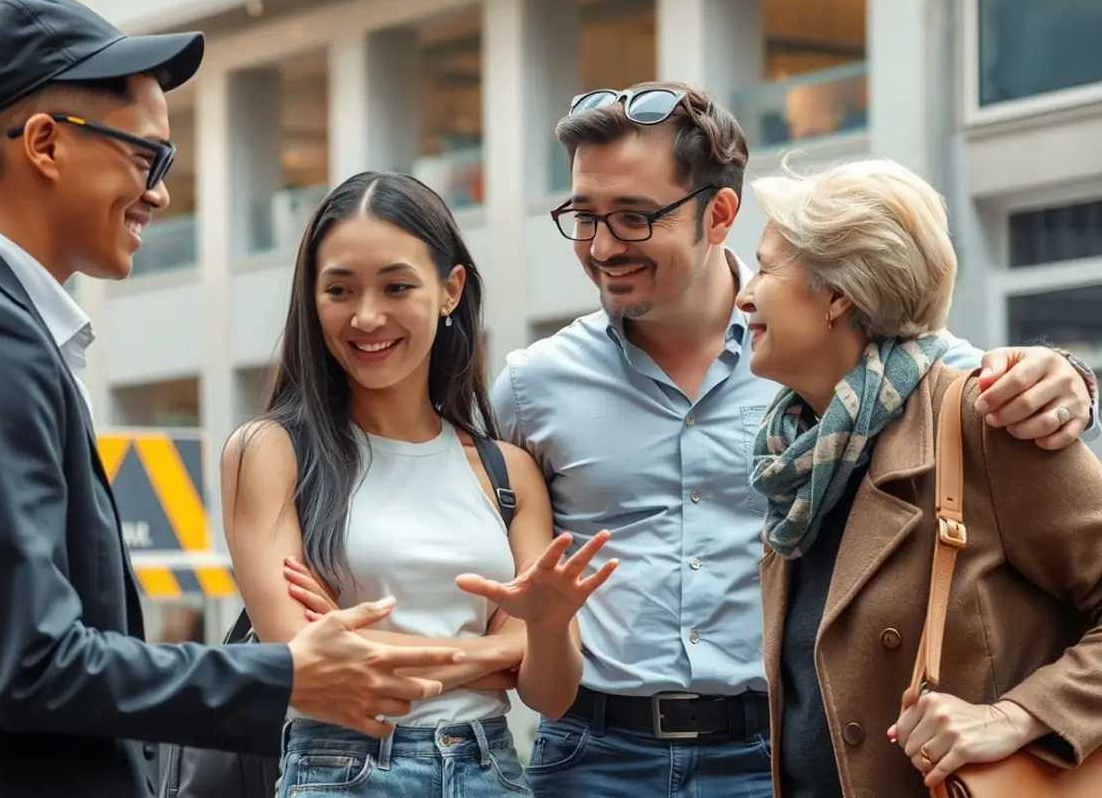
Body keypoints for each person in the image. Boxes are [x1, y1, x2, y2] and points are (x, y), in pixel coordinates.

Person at [0, 0, 463, 798]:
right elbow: (32, 665)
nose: (161, 195)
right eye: (150, 158)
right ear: (45, 143)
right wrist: (286, 676)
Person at [492, 81, 1100, 797]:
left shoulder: (836, 355)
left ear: (717, 213)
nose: (600, 246)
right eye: (583, 216)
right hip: (597, 756)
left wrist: (1071, 378)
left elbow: (965, 378)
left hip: (774, 754)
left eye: (631, 217)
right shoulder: (532, 386)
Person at [224, 170, 618, 797]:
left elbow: (550, 692)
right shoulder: (271, 451)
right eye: (340, 290)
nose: (367, 316)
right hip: (341, 771)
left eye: (398, 285)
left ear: (450, 289)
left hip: (489, 770)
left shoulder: (508, 471)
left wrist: (539, 631)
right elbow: (309, 662)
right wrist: (494, 654)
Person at [739, 158, 1102, 796]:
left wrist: (1016, 717)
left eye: (766, 267)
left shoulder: (974, 417)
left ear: (837, 295)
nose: (743, 293)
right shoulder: (796, 458)